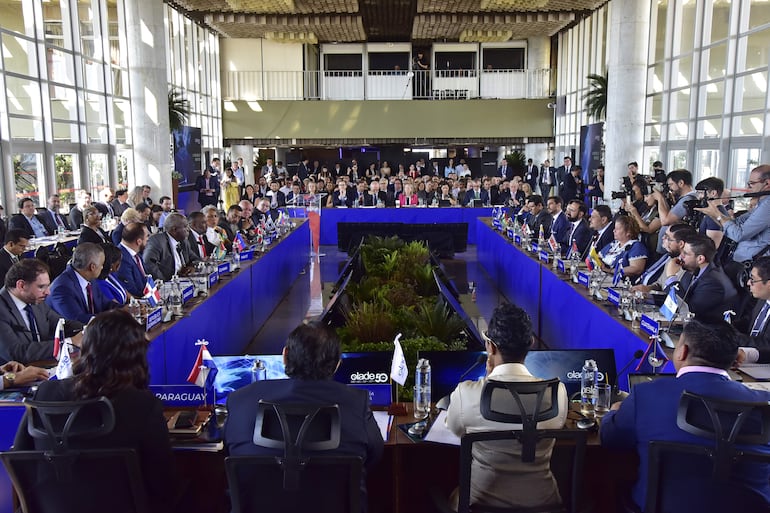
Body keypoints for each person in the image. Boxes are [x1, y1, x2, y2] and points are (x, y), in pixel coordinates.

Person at [14, 310, 181, 513]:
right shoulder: (143, 404)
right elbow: (164, 484)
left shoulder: (46, 392)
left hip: (51, 507)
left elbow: (20, 458)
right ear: (136, 355)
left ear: (86, 349)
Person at [600, 320, 770, 513]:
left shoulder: (645, 396)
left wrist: (614, 411)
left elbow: (610, 438)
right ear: (734, 360)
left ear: (682, 352)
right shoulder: (765, 404)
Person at [224, 321, 383, 503]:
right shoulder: (356, 402)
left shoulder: (239, 400)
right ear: (338, 363)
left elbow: (230, 451)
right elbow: (374, 455)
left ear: (284, 356)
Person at [446, 302, 568, 510]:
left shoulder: (466, 394)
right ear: (530, 343)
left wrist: (488, 377)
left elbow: (456, 430)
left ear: (490, 347)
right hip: (543, 504)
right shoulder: (558, 393)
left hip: (480, 505)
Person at [0, 259, 84, 364]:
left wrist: (88, 330)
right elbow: (16, 352)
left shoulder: (35, 300)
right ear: (21, 285)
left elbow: (62, 324)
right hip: (16, 375)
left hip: (45, 366)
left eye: (47, 286)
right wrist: (69, 343)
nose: (48, 292)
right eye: (41, 287)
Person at [696, 164, 770, 263]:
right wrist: (713, 215)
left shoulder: (767, 205)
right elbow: (735, 223)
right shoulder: (761, 203)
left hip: (751, 264)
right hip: (740, 260)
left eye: (752, 183)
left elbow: (739, 235)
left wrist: (717, 214)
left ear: (767, 183)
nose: (748, 187)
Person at [667, 232, 738, 323]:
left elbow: (688, 311)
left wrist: (671, 278)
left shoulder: (713, 282)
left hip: (708, 332)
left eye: (686, 253)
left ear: (700, 259)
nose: (681, 256)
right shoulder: (691, 271)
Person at [46, 242, 115, 324]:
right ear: (92, 267)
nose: (102, 267)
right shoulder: (62, 288)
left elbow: (105, 304)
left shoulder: (89, 278)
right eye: (101, 264)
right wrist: (112, 319)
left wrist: (124, 310)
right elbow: (77, 319)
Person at [631, 223, 693, 293]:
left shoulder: (689, 268)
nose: (663, 238)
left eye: (668, 238)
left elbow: (677, 297)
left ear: (681, 244)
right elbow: (660, 283)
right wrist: (648, 288)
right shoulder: (671, 258)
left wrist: (671, 277)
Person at [142, 213, 199, 280]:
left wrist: (191, 267)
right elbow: (148, 263)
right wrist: (164, 283)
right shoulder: (157, 241)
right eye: (185, 226)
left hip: (183, 282)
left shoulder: (183, 242)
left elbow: (195, 259)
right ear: (174, 229)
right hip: (166, 284)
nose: (188, 229)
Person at [654, 169, 697, 254]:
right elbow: (669, 214)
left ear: (681, 183)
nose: (670, 188)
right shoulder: (685, 199)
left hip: (671, 250)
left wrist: (660, 199)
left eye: (671, 184)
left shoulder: (687, 200)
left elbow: (665, 221)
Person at [598, 215, 648, 280]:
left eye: (617, 229)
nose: (614, 231)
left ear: (628, 232)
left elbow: (636, 269)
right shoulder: (614, 243)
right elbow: (598, 256)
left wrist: (611, 271)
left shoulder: (637, 246)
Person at [117, 222, 149, 297]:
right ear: (139, 241)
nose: (148, 239)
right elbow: (132, 290)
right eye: (147, 236)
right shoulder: (121, 259)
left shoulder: (136, 253)